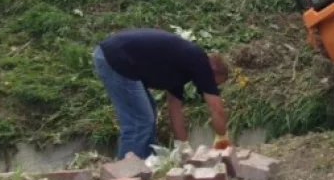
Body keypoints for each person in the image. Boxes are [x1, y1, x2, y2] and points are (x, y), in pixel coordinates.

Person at [93, 28, 231, 160]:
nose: (215, 86)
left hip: (117, 55)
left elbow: (174, 107)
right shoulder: (200, 62)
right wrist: (222, 138)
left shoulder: (181, 67)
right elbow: (217, 109)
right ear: (215, 71)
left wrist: (183, 145)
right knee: (140, 121)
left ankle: (143, 163)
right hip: (116, 57)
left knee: (148, 115)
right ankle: (126, 171)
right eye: (217, 83)